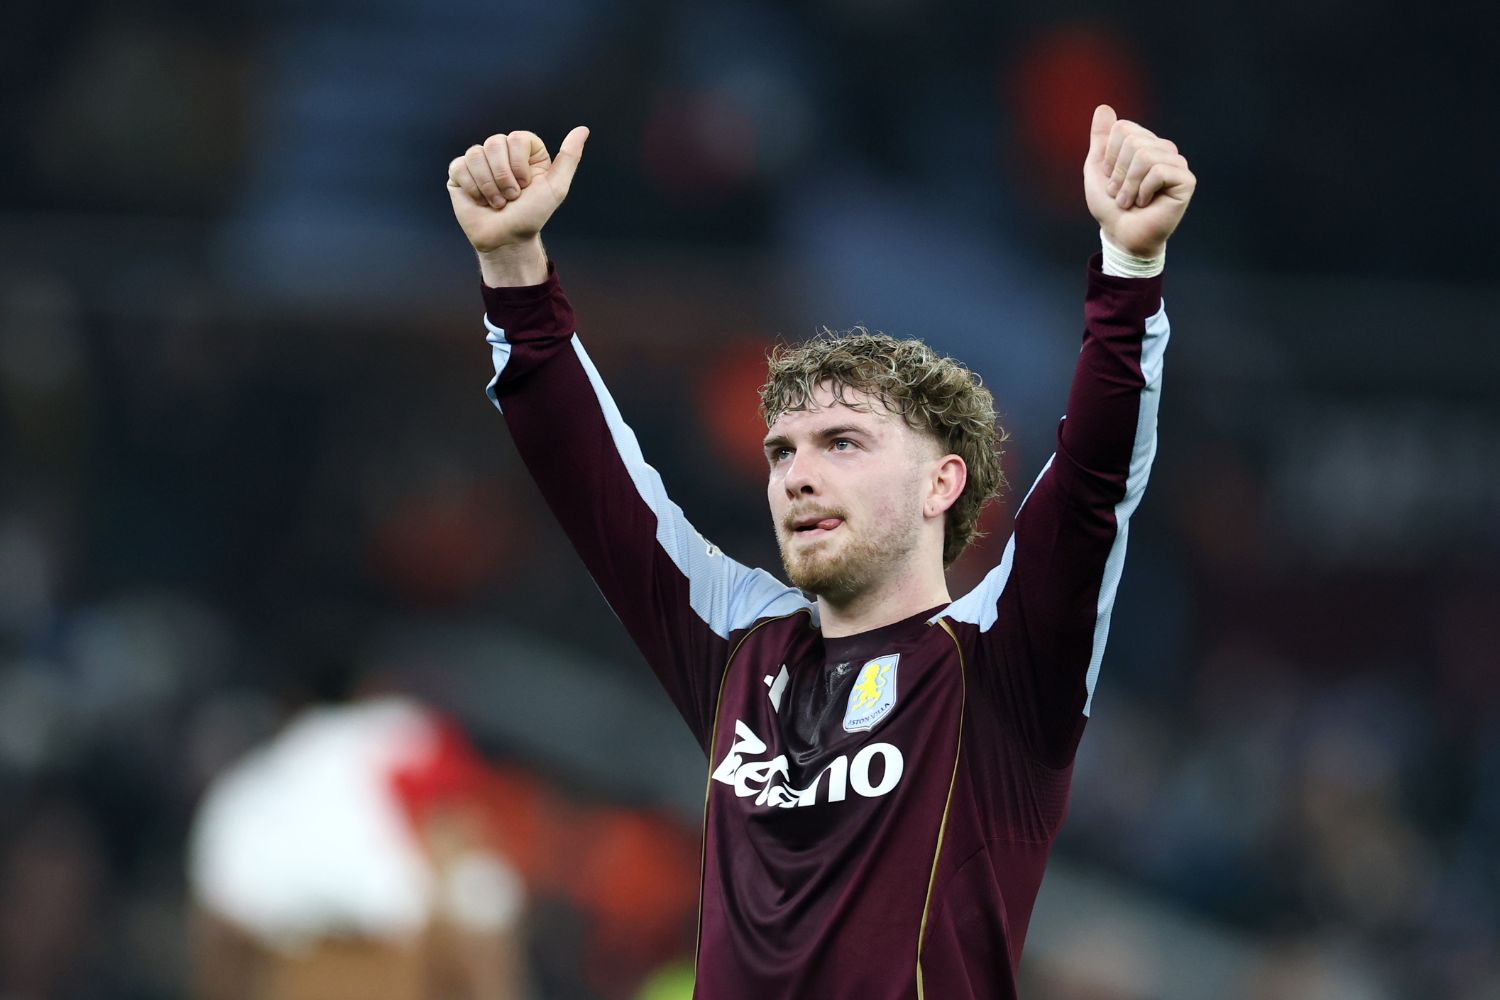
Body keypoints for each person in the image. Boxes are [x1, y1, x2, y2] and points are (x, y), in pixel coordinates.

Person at [445, 104, 1195, 999]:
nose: (797, 475)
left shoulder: (1000, 665)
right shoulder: (738, 643)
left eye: (843, 443)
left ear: (941, 484)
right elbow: (593, 482)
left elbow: (1094, 483)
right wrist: (512, 268)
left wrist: (1130, 270)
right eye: (782, 452)